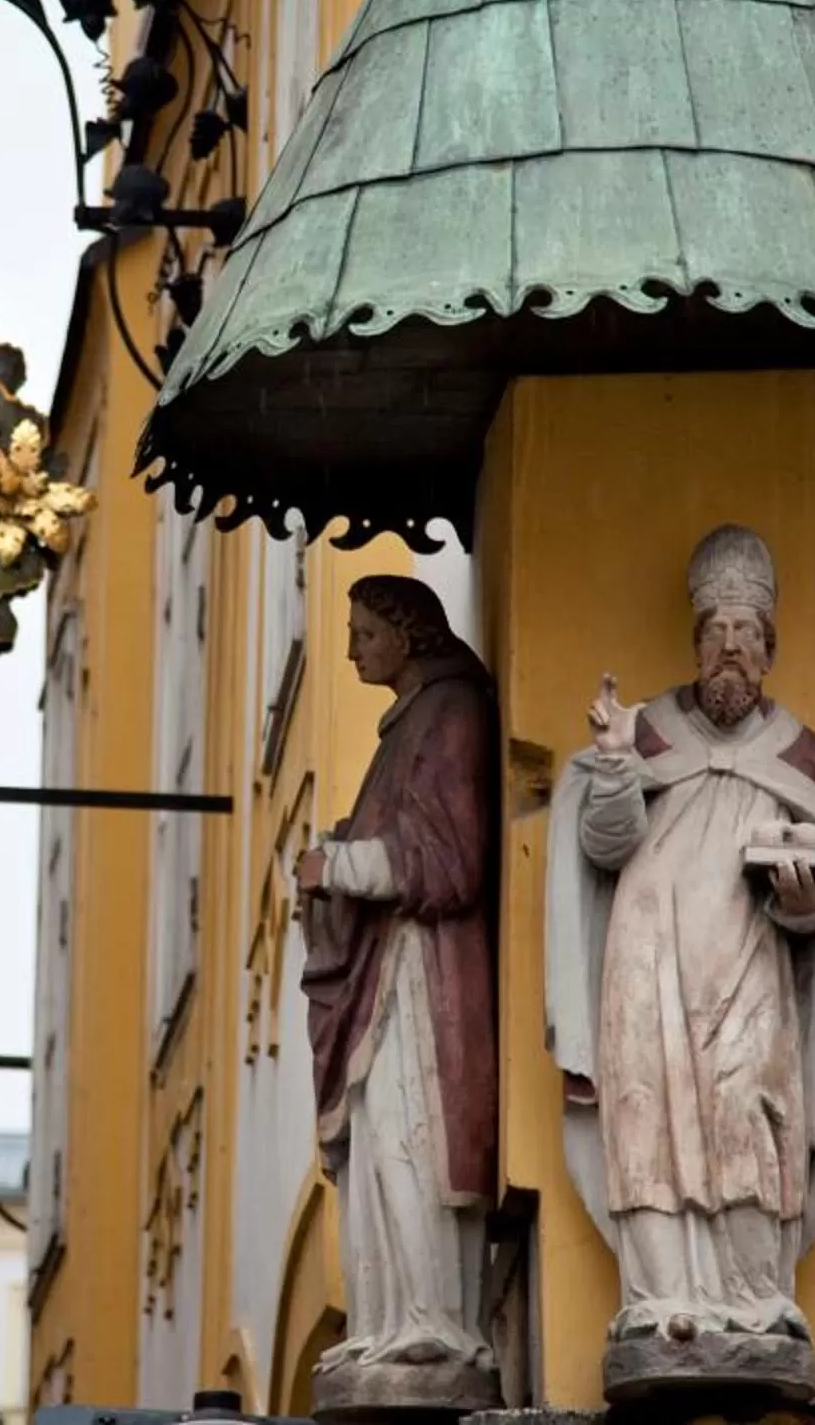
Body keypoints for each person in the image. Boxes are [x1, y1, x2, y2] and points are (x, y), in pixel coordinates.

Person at [543, 524, 815, 1393]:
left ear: (768, 649)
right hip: (644, 965)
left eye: (746, 635)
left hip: (751, 971)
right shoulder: (643, 735)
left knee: (750, 1122)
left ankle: (757, 1301)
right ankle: (660, 1298)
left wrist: (805, 902)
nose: (730, 649)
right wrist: (612, 770)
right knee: (646, 1125)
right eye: (716, 632)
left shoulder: (799, 758)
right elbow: (603, 848)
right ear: (696, 642)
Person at [294, 575, 501, 1410]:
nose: (350, 649)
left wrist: (341, 865)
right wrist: (340, 863)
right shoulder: (409, 723)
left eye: (364, 631)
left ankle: (436, 1321)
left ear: (408, 633)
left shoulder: (451, 714)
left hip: (425, 972)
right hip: (390, 968)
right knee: (379, 1141)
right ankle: (386, 1318)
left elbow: (450, 863)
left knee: (414, 1137)